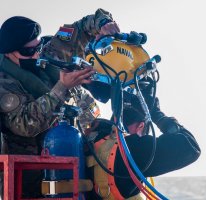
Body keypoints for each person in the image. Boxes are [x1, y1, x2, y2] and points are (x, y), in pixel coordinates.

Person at [0, 9, 119, 198]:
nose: (36, 55)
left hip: (77, 150)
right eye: (28, 51)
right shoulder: (4, 84)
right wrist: (61, 88)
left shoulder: (49, 54)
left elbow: (81, 28)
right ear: (8, 54)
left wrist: (103, 23)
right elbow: (24, 124)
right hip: (36, 176)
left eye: (37, 48)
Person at [85, 78, 201, 199]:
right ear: (142, 125)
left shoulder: (93, 142)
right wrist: (157, 115)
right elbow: (191, 148)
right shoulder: (134, 150)